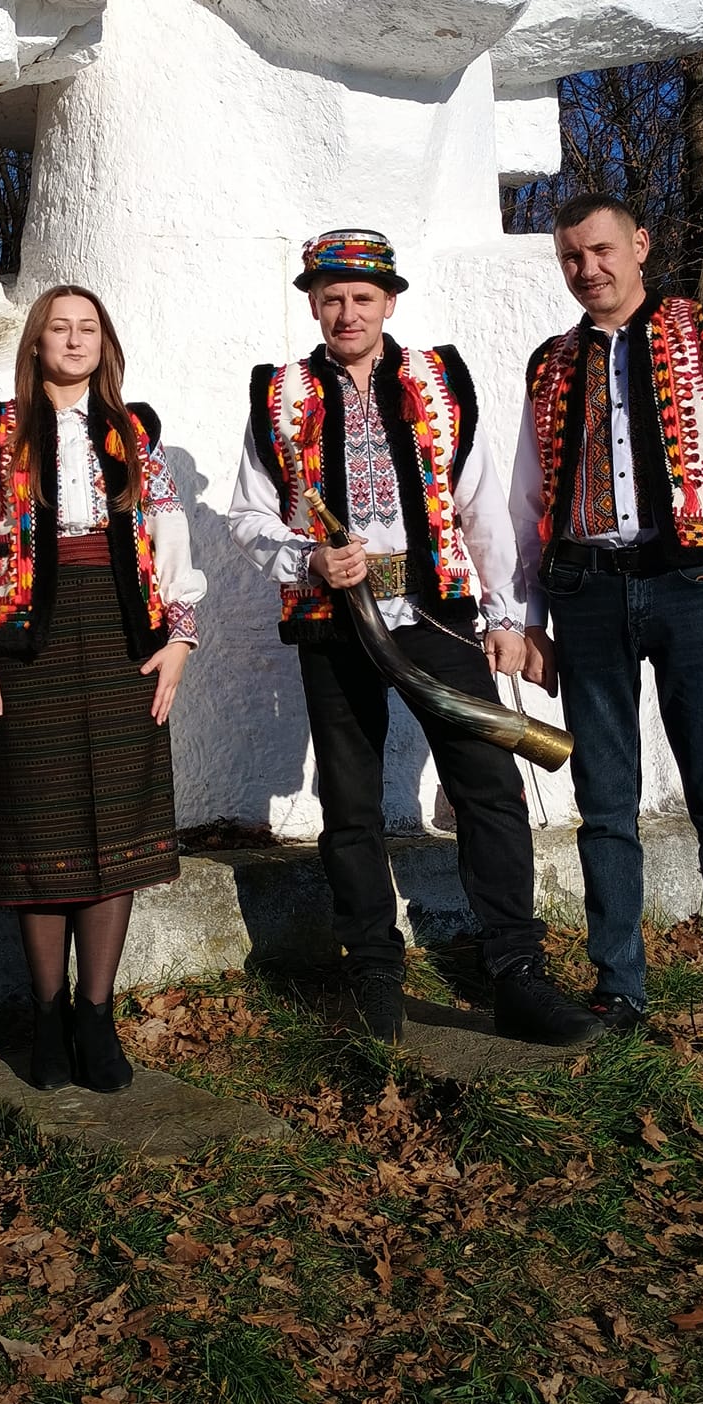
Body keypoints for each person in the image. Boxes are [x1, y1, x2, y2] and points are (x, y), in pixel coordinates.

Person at [228, 229, 598, 1046]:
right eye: (331, 298)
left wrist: (508, 618)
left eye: (362, 297)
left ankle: (517, 973)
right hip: (333, 622)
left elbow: (482, 506)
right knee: (349, 801)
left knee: (488, 788)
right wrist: (308, 557)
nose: (347, 313)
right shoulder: (278, 394)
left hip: (438, 616)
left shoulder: (438, 380)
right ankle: (373, 972)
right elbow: (247, 515)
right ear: (313, 306)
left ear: (389, 302)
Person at [512, 193, 703, 1090]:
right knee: (604, 803)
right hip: (587, 595)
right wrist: (527, 617)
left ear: (639, 246)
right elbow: (530, 500)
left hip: (694, 590)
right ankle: (618, 995)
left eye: (601, 249)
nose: (587, 268)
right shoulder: (551, 364)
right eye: (571, 256)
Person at [0, 285, 205, 1094]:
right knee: (41, 824)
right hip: (32, 644)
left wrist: (179, 640)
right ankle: (47, 1015)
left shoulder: (134, 434)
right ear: (36, 343)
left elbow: (168, 536)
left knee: (116, 825)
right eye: (58, 327)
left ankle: (96, 1015)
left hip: (125, 639)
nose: (73, 338)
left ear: (105, 344)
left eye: (88, 327)